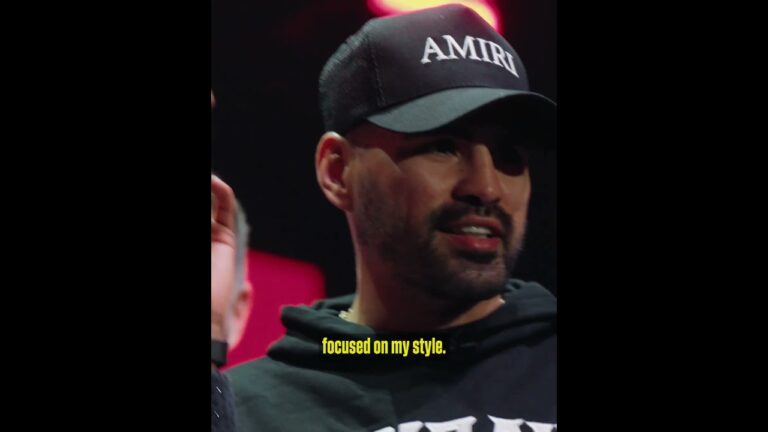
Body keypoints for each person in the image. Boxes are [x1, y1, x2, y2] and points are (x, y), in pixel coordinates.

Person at [220, 5, 556, 431]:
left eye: (509, 155)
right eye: (443, 145)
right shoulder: (248, 414)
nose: (486, 187)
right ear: (338, 171)